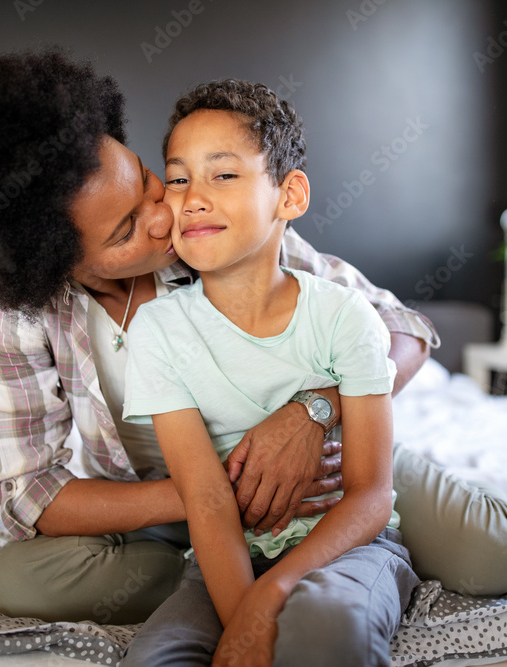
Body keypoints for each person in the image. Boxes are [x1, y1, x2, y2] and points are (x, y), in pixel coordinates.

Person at [0, 48, 444, 625]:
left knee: (489, 557)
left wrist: (313, 412)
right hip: (164, 503)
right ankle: (223, 567)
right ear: (54, 263)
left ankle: (344, 535)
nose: (166, 217)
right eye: (127, 228)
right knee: (17, 581)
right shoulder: (21, 309)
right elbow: (29, 490)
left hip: (313, 476)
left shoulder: (214, 236)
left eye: (150, 184)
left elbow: (405, 331)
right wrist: (211, 500)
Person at [119, 79, 420, 667]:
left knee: (332, 636)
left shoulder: (344, 315)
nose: (193, 198)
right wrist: (243, 617)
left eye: (223, 174)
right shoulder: (157, 331)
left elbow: (370, 496)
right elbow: (205, 498)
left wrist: (272, 597)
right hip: (225, 557)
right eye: (178, 178)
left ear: (290, 196)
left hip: (347, 546)